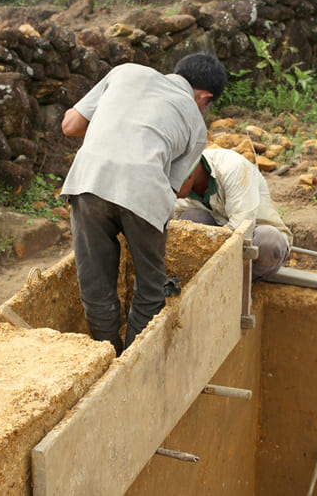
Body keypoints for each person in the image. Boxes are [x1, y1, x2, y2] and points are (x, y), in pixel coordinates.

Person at [60, 53, 226, 356]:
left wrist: (114, 125)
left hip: (87, 182)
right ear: (204, 97)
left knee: (96, 284)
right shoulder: (196, 125)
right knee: (151, 289)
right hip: (143, 192)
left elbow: (70, 125)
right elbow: (174, 190)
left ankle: (105, 357)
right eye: (206, 105)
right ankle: (131, 363)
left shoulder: (124, 72)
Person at [175, 147, 292, 280]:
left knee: (268, 241)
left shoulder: (232, 167)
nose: (170, 192)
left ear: (188, 176)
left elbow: (241, 230)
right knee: (189, 222)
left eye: (172, 186)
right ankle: (213, 280)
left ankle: (238, 281)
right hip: (218, 238)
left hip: (251, 236)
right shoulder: (181, 188)